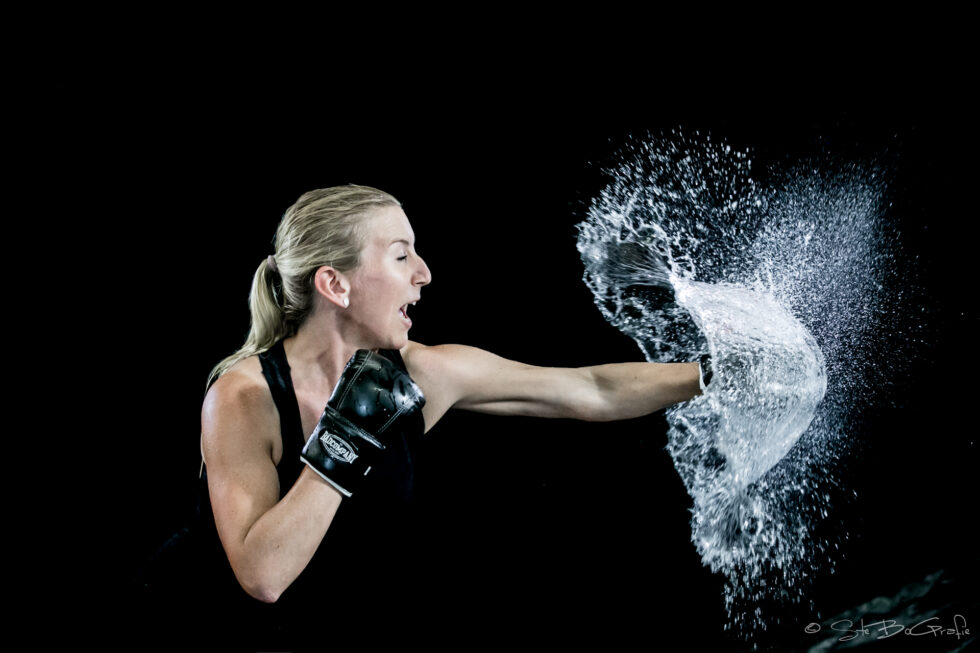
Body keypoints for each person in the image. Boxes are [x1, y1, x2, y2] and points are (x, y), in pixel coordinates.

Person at [139, 184, 707, 650]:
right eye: (400, 255)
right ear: (334, 284)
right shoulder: (243, 396)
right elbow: (263, 576)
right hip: (202, 631)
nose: (425, 273)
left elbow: (591, 389)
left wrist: (712, 374)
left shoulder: (422, 374)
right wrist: (345, 434)